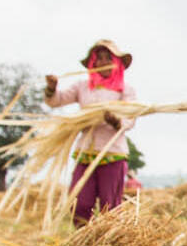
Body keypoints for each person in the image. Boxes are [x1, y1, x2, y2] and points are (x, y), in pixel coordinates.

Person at [44, 39, 137, 227]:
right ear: (92, 63)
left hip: (112, 153)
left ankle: (109, 240)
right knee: (79, 204)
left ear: (117, 62)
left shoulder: (125, 90)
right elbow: (57, 101)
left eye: (108, 58)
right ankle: (83, 238)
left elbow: (130, 119)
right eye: (99, 58)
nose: (103, 62)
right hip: (85, 152)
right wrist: (52, 89)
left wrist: (115, 121)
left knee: (110, 208)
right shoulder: (82, 86)